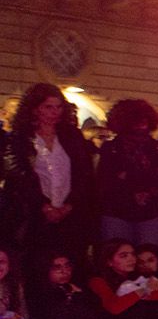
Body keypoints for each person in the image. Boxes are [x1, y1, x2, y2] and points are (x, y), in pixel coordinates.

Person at [1, 83, 96, 273]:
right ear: (35, 109)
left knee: (70, 262)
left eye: (58, 107)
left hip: (69, 213)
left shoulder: (71, 136)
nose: (55, 112)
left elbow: (83, 173)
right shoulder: (20, 138)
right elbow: (19, 174)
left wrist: (69, 205)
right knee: (37, 264)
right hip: (33, 214)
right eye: (48, 107)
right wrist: (43, 206)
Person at [96, 98, 158, 250]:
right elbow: (106, 181)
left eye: (145, 119)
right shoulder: (111, 148)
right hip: (117, 212)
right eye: (137, 119)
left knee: (148, 254)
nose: (142, 124)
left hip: (150, 212)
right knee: (118, 253)